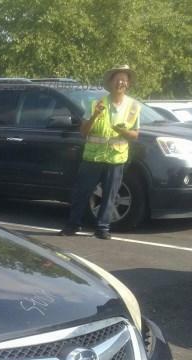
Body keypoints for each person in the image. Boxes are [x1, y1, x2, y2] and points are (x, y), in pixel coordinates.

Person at [61, 65, 141, 239]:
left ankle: (102, 228)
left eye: (124, 80)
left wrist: (123, 132)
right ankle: (73, 224)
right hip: (93, 156)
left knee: (110, 195)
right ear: (111, 83)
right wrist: (94, 116)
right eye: (118, 79)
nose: (121, 83)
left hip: (116, 157)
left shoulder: (134, 106)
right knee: (82, 192)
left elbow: (135, 135)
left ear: (127, 85)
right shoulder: (97, 104)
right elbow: (84, 131)